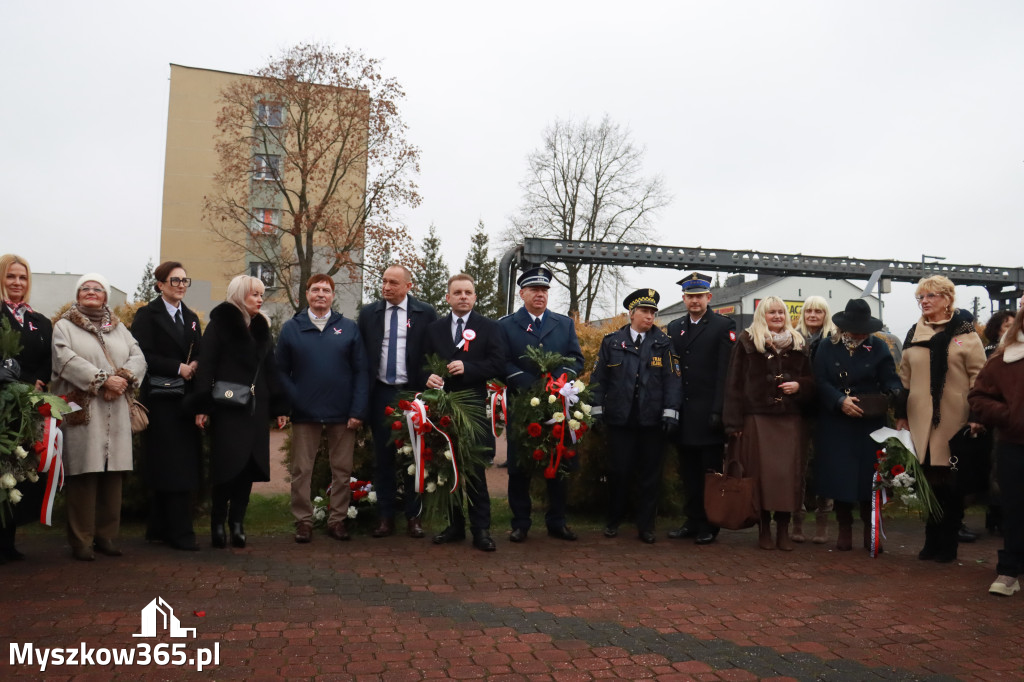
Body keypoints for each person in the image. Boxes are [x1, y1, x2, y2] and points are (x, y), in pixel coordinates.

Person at [51, 273, 146, 561]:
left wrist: (123, 378)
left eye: (97, 289)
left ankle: (107, 536)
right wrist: (103, 380)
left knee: (113, 476)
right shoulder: (64, 326)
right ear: (77, 294)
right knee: (84, 473)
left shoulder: (118, 328)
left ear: (105, 296)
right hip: (84, 410)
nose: (91, 292)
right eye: (85, 288)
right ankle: (81, 540)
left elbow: (138, 357)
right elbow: (65, 360)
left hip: (116, 410)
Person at [190, 275, 288, 549]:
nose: (260, 299)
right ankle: (217, 523)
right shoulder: (220, 323)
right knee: (226, 465)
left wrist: (280, 406)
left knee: (248, 466)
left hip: (257, 407)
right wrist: (202, 406)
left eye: (261, 295)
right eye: (254, 294)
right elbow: (206, 366)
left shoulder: (261, 326)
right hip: (228, 407)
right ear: (239, 295)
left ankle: (237, 524)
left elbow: (271, 368)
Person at [894, 275, 986, 563]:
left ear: (947, 299)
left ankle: (948, 543)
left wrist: (976, 416)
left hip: (954, 420)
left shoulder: (966, 335)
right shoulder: (914, 333)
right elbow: (904, 379)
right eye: (921, 297)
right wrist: (900, 415)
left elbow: (980, 379)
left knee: (951, 485)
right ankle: (931, 539)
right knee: (927, 483)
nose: (924, 301)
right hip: (919, 420)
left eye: (931, 296)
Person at [277, 274, 368, 543]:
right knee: (301, 470)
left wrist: (357, 411)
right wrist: (291, 401)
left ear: (333, 296)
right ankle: (303, 522)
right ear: (306, 294)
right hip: (304, 412)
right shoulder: (291, 328)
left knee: (342, 469)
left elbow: (361, 371)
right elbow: (280, 372)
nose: (320, 294)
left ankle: (337, 520)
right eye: (315, 289)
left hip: (342, 412)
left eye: (326, 290)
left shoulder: (348, 328)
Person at [498, 267, 584, 543]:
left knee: (558, 462)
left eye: (544, 290)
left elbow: (576, 359)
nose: (540, 294)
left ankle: (557, 522)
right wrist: (526, 382)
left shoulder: (563, 323)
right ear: (521, 293)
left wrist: (558, 381)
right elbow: (501, 361)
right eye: (534, 290)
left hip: (556, 404)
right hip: (522, 403)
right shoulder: (506, 325)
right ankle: (520, 523)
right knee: (519, 467)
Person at [423, 274, 507, 552]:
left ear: (474, 297)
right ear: (448, 297)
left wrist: (469, 368)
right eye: (457, 292)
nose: (463, 297)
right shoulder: (434, 329)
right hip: (441, 408)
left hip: (472, 409)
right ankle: (454, 526)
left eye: (468, 292)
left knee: (474, 470)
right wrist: (428, 377)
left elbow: (498, 364)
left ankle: (481, 530)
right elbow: (421, 363)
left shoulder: (489, 327)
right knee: (447, 468)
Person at [724, 295, 815, 551]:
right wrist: (733, 424)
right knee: (760, 477)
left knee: (787, 477)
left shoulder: (799, 343)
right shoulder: (746, 342)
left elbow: (812, 381)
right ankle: (764, 529)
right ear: (762, 315)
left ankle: (783, 530)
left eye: (781, 312)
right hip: (757, 418)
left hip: (790, 419)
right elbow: (733, 384)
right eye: (772, 312)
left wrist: (800, 386)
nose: (777, 316)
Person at [592, 289, 681, 544]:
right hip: (620, 419)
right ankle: (613, 520)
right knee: (619, 473)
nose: (649, 316)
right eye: (644, 311)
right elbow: (599, 379)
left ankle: (646, 526)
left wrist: (670, 413)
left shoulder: (663, 343)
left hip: (652, 421)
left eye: (653, 312)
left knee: (650, 476)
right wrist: (596, 410)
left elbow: (672, 380)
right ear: (631, 314)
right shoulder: (612, 342)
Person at [813, 299, 902, 551]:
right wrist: (839, 400)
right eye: (856, 330)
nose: (861, 335)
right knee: (839, 476)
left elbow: (889, 377)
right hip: (837, 420)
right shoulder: (826, 347)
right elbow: (819, 380)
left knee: (869, 476)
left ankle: (870, 527)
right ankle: (844, 527)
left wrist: (895, 391)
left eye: (865, 330)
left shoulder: (879, 347)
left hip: (869, 420)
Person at [357, 264, 438, 539]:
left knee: (414, 456)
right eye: (384, 281)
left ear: (408, 286)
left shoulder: (425, 313)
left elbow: (432, 353)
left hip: (412, 394)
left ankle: (414, 517)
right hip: (381, 393)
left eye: (393, 282)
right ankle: (385, 517)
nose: (386, 287)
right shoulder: (369, 314)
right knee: (384, 458)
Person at [130, 261, 203, 551]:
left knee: (182, 463)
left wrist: (196, 363)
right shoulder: (147, 315)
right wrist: (177, 367)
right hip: (160, 401)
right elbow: (141, 354)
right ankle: (179, 532)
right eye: (175, 280)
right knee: (168, 464)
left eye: (185, 280)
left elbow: (199, 350)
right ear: (160, 285)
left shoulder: (191, 317)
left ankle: (160, 528)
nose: (181, 285)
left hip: (185, 400)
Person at [665, 272, 735, 545]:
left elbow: (724, 373)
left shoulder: (722, 325)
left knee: (709, 474)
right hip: (683, 414)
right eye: (690, 297)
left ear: (709, 297)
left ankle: (709, 524)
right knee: (689, 473)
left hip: (708, 415)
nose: (695, 301)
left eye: (699, 296)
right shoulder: (674, 327)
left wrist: (719, 410)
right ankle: (692, 520)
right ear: (683, 299)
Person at [0, 254, 53, 561]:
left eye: (22, 277)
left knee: (16, 471)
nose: (17, 282)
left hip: (27, 406)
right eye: (10, 276)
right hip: (3, 402)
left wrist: (39, 382)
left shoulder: (40, 321)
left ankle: (7, 541)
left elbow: (47, 360)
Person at [969, 307, 1024, 596]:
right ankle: (1010, 570)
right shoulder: (1005, 359)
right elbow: (978, 395)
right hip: (1015, 444)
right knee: (1014, 508)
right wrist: (1009, 415)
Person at [792, 295, 837, 544]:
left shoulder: (834, 340)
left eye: (818, 311)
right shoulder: (793, 338)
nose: (812, 315)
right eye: (808, 311)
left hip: (825, 410)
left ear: (825, 315)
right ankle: (797, 519)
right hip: (799, 410)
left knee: (825, 465)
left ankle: (822, 521)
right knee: (796, 466)